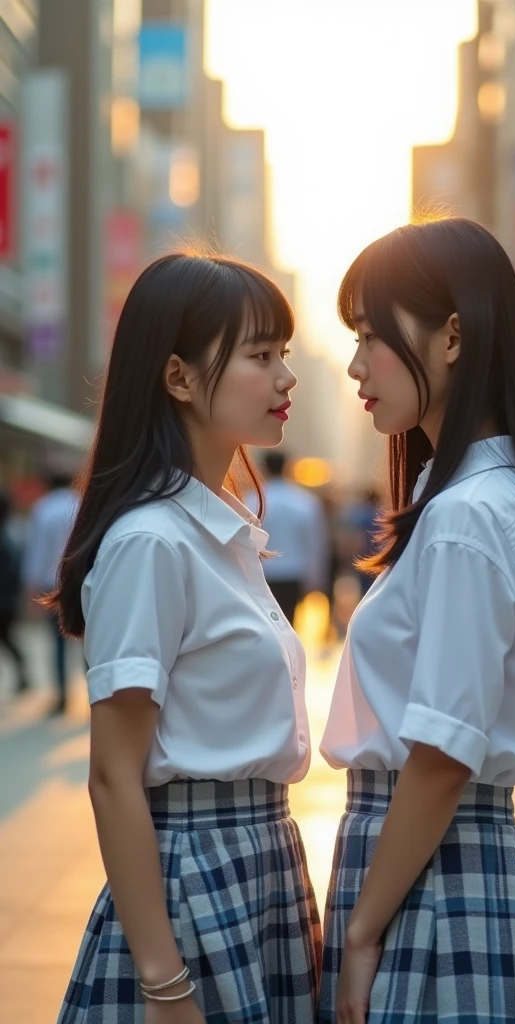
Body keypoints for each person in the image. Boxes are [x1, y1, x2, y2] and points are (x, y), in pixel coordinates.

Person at [319, 217, 515, 1024]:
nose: (354, 364)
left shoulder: (465, 517)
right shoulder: (478, 500)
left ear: (451, 337)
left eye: (372, 335)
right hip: (455, 866)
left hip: (434, 881)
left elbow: (442, 754)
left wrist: (364, 933)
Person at [50, 253, 320, 1023]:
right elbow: (112, 777)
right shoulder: (152, 542)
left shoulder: (221, 535)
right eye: (260, 356)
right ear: (177, 377)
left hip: (258, 868)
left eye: (286, 356)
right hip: (192, 883)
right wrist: (164, 983)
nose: (284, 379)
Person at [250, 450, 328, 625]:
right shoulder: (304, 501)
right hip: (294, 572)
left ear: (264, 469)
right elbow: (315, 542)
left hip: (261, 573)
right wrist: (316, 577)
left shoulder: (252, 500)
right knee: (289, 623)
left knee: (264, 624)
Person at [23, 471, 79, 713]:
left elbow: (36, 551)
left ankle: (61, 697)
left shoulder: (43, 509)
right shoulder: (80, 503)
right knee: (90, 640)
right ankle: (95, 694)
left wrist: (31, 589)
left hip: (50, 584)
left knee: (57, 642)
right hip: (79, 581)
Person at [0, 488, 29, 695]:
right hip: (8, 599)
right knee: (8, 638)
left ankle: (23, 674)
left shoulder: (9, 540)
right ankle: (23, 674)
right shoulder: (14, 536)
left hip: (4, 600)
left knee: (7, 638)